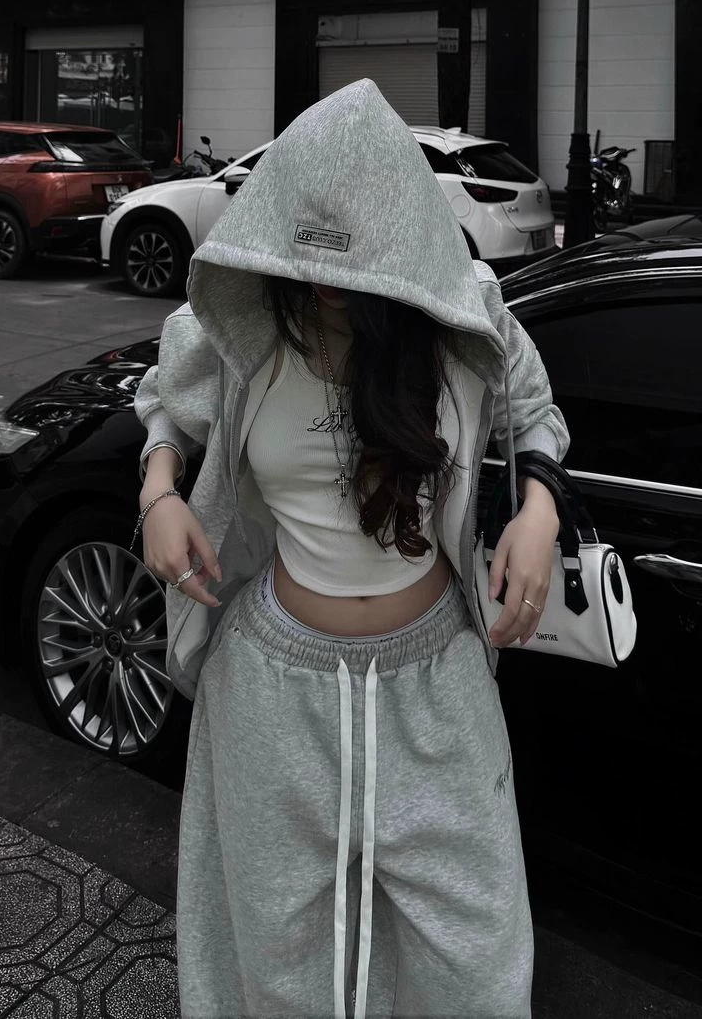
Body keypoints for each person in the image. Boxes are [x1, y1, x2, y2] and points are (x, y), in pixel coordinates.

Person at [134, 79, 569, 1019]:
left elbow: (535, 410)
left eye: (352, 235)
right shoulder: (243, 323)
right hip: (270, 690)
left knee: (476, 961)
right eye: (310, 232)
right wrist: (159, 489)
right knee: (276, 951)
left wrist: (539, 512)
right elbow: (165, 400)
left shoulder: (462, 317)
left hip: (438, 685)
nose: (326, 269)